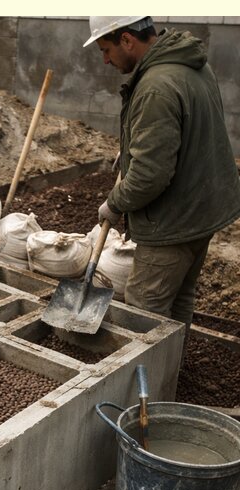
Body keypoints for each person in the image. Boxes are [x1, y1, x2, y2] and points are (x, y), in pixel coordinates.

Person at [85, 16, 240, 333]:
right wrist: (132, 148)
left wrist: (115, 204)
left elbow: (149, 176)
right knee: (181, 297)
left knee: (143, 311)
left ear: (127, 40)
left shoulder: (155, 87)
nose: (104, 60)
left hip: (173, 221)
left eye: (106, 49)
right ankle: (170, 375)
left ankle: (147, 381)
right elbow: (186, 129)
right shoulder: (190, 64)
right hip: (204, 209)